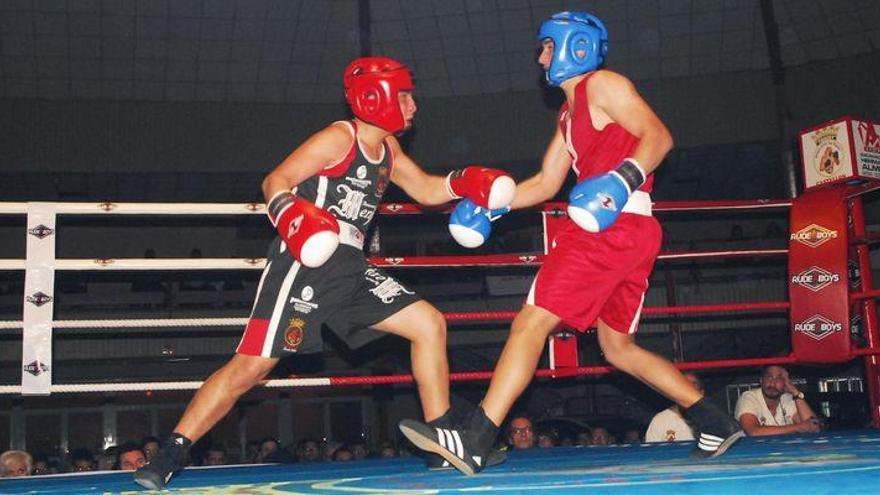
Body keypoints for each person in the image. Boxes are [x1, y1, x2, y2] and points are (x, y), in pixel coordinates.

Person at [134, 56, 514, 490]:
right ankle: (170, 454)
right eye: (405, 96)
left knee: (428, 323)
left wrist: (463, 182)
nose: (414, 106)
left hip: (352, 267)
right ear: (378, 98)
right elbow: (277, 180)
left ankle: (442, 440)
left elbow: (426, 189)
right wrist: (296, 218)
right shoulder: (339, 137)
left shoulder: (388, 148)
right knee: (252, 368)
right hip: (308, 261)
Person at [399, 11, 743, 475]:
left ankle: (476, 438)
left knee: (531, 322)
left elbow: (658, 137)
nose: (540, 58)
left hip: (606, 226)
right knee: (618, 348)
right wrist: (491, 205)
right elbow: (543, 183)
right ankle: (713, 418)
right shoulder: (567, 116)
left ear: (576, 46)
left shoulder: (602, 84)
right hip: (633, 230)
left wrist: (619, 181)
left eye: (545, 46)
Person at [735, 365, 821, 436]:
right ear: (761, 381)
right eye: (769, 377)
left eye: (779, 379)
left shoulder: (788, 399)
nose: (772, 383)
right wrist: (798, 427)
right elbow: (753, 431)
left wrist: (795, 392)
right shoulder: (749, 397)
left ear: (785, 382)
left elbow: (814, 427)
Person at [645, 372, 703, 443]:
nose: (688, 386)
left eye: (693, 384)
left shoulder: (713, 418)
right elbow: (651, 452)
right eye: (684, 383)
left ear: (701, 392)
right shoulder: (661, 420)